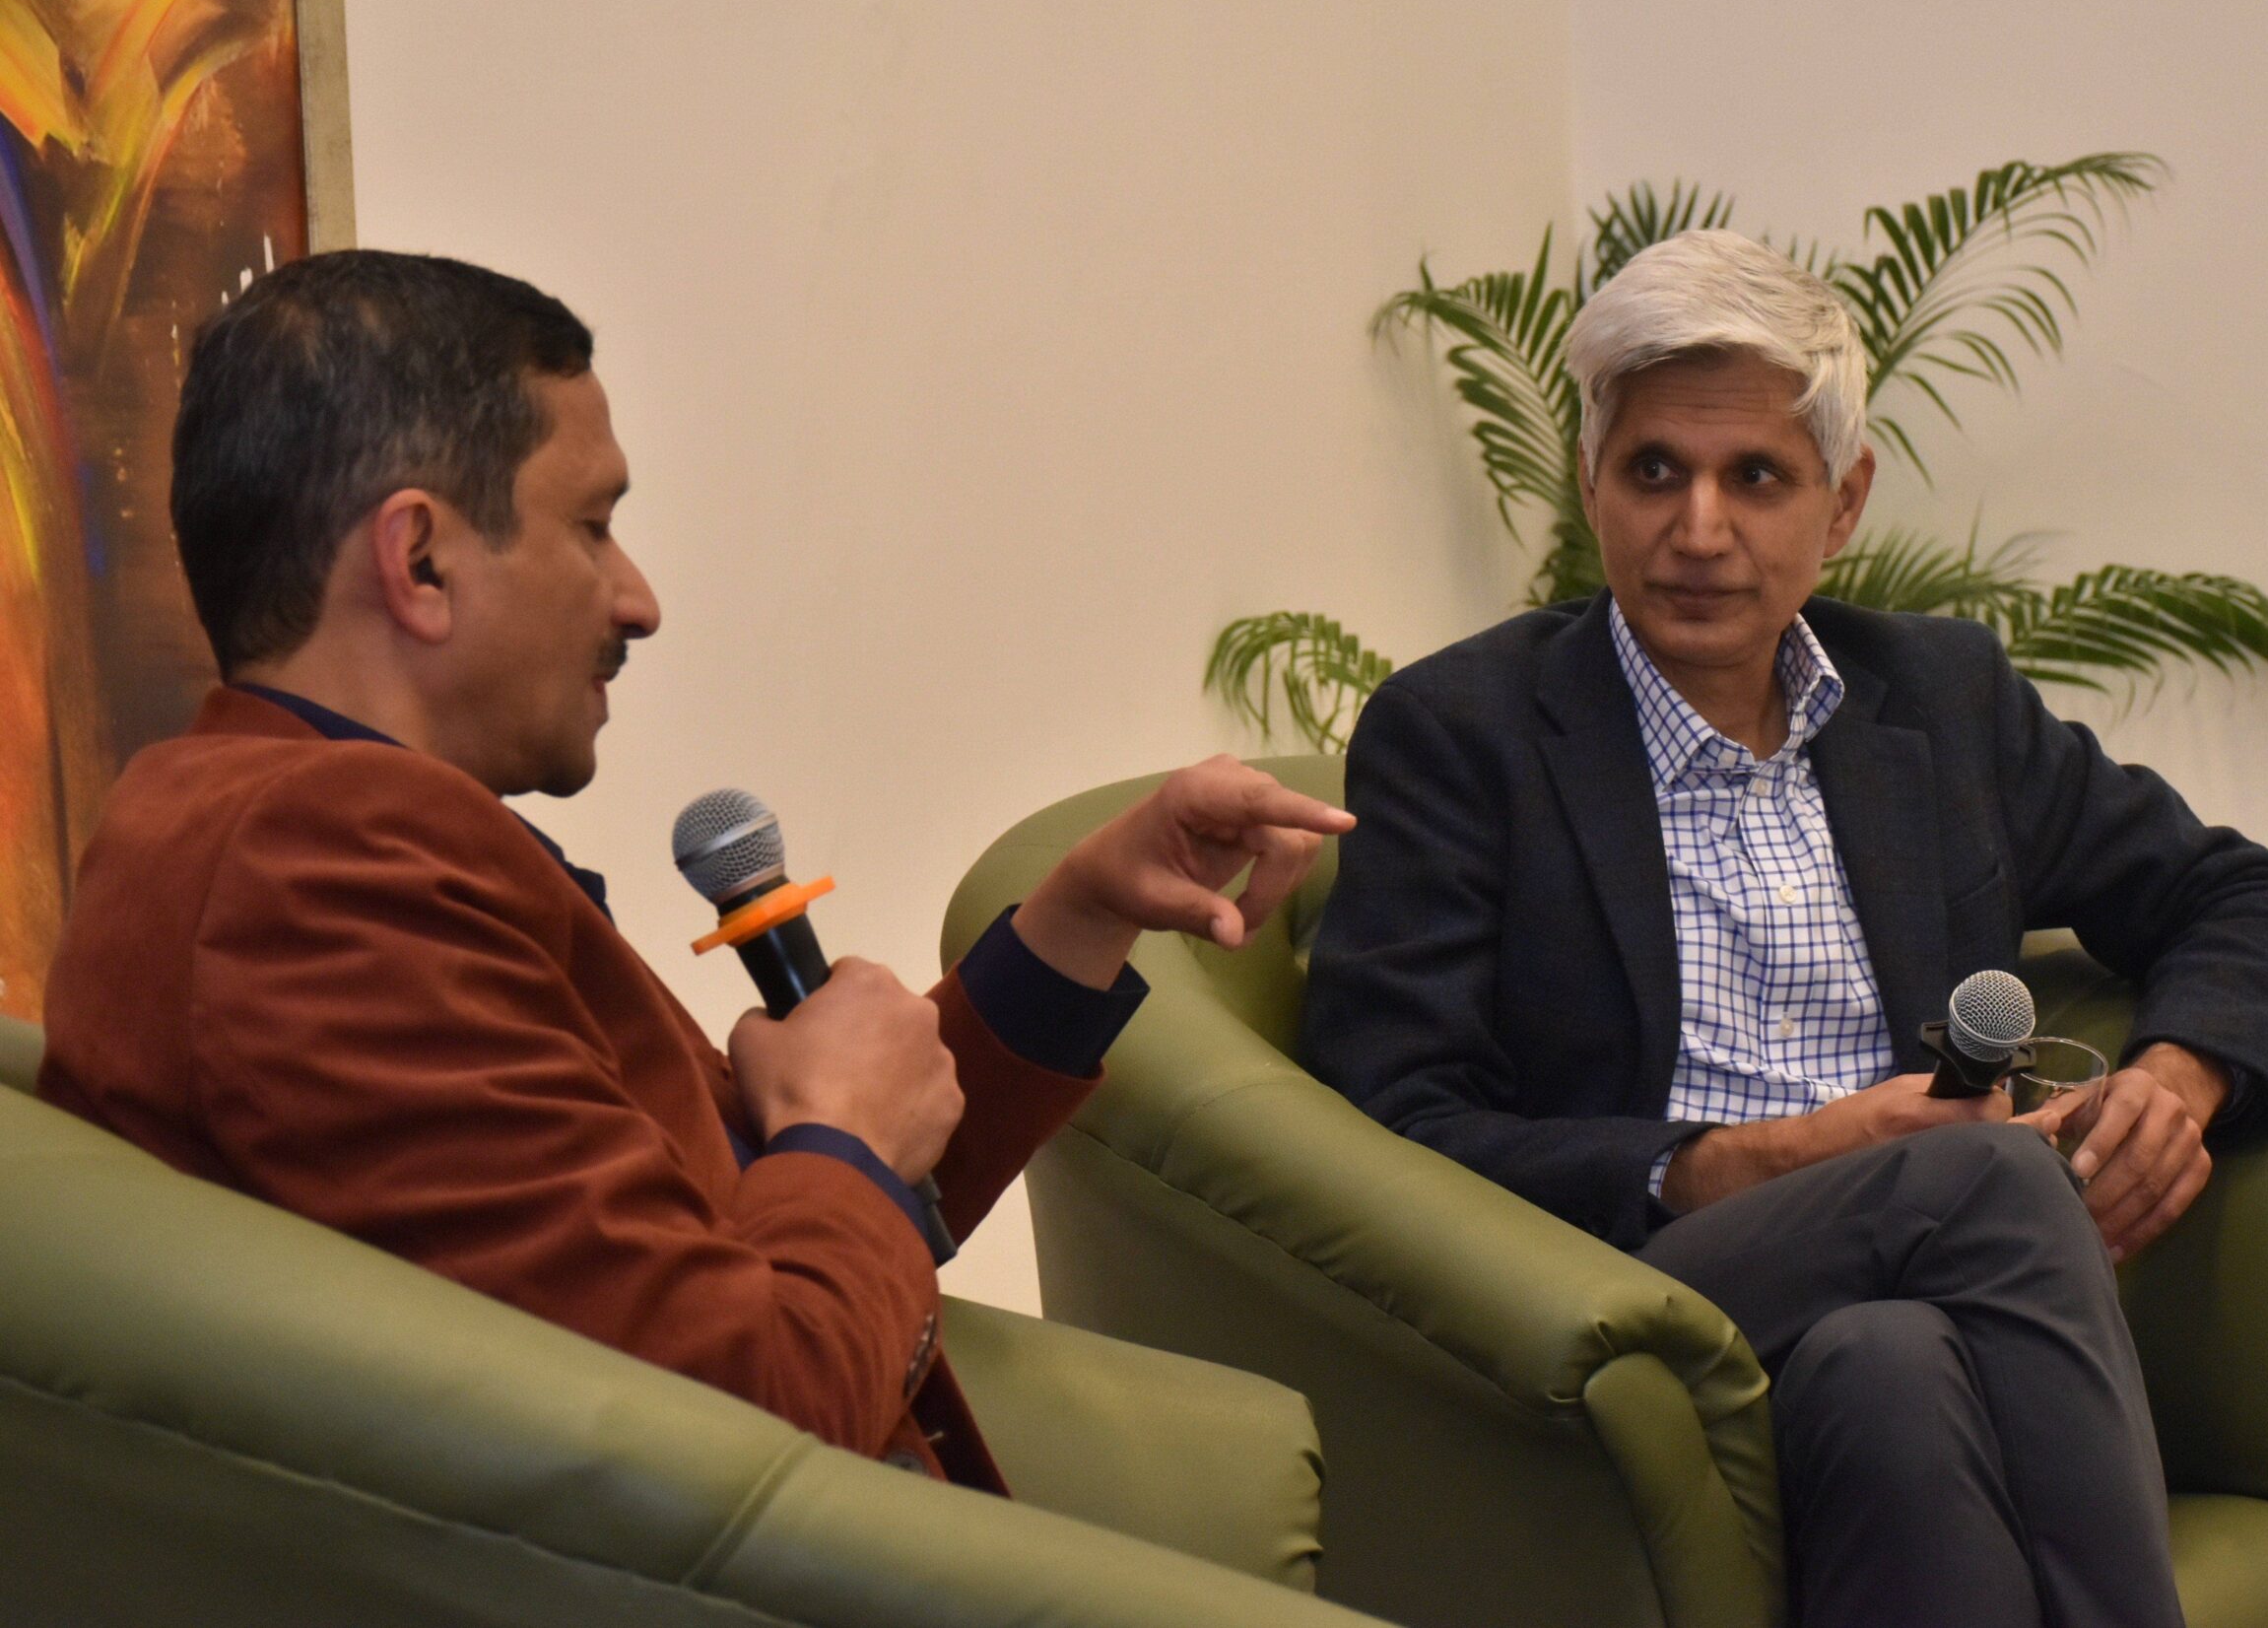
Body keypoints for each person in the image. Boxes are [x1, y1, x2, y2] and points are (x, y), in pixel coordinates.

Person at [38, 248, 1351, 1492]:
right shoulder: (318, 875)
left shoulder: (274, 821)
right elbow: (749, 1416)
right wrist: (842, 1133)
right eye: (595, 527)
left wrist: (1081, 917)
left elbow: (768, 1222)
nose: (639, 599)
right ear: (421, 560)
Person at [1303, 230, 2268, 1627]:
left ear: (1841, 505)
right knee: (1998, 1178)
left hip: (1905, 1314)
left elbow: (2239, 895)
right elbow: (1393, 1127)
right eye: (1654, 468)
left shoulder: (1940, 701)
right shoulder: (1465, 735)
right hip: (1633, 1288)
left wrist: (2179, 1078)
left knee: (1886, 1366)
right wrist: (1752, 1162)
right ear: (1594, 484)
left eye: (1756, 478)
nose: (1699, 527)